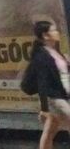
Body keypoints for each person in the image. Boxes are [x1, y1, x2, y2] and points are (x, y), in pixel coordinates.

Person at [23, 20, 70, 149]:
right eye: (54, 30)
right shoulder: (41, 56)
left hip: (62, 95)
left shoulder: (54, 51)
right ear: (45, 35)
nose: (57, 32)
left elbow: (61, 75)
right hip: (54, 98)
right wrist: (44, 108)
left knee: (50, 131)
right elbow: (42, 82)